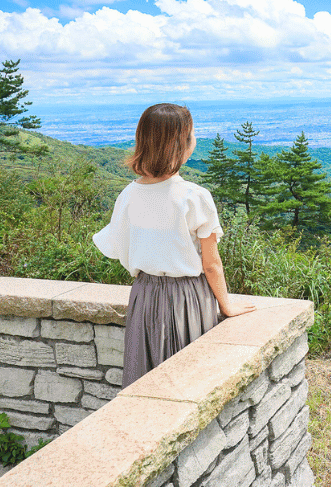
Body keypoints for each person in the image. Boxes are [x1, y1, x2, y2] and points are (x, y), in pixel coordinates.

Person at [93, 103, 256, 387]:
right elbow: (211, 264)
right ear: (182, 145)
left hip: (144, 296)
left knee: (146, 377)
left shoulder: (129, 194)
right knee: (189, 379)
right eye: (191, 135)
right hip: (188, 298)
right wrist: (226, 305)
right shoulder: (194, 196)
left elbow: (118, 246)